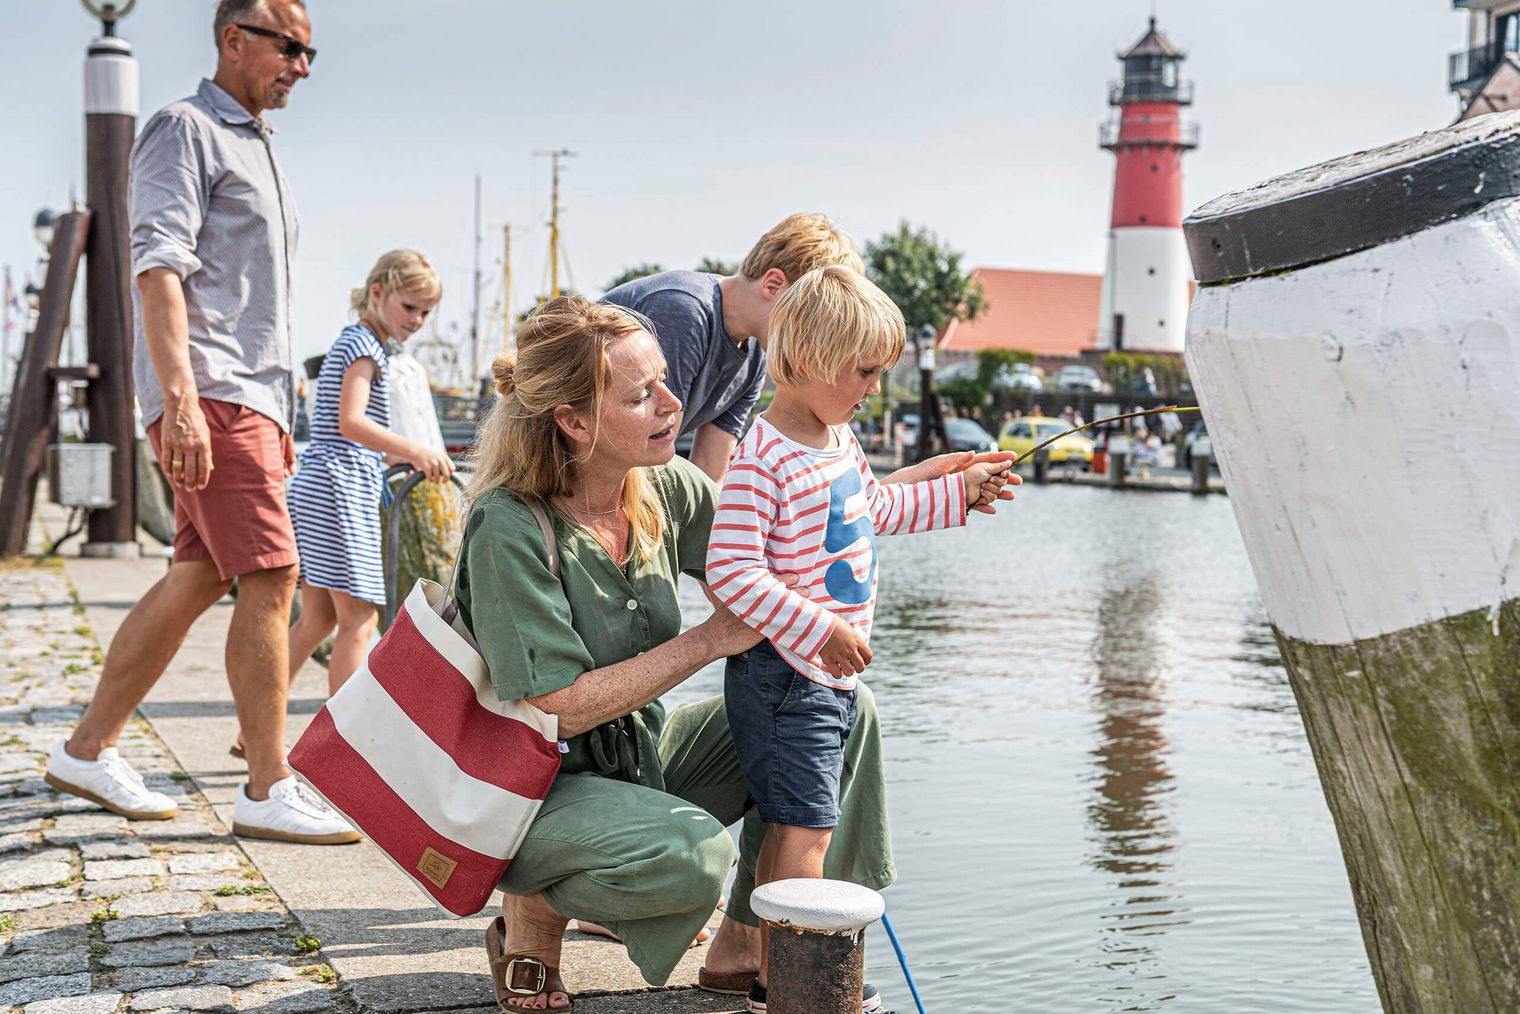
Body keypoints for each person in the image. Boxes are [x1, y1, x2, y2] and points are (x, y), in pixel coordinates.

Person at [457, 297, 1015, 1011]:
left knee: (845, 714)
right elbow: (553, 709)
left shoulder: (664, 485)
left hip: (641, 756)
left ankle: (755, 952)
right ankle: (532, 911)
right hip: (534, 789)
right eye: (640, 395)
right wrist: (711, 639)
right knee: (695, 857)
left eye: (665, 381)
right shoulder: (507, 526)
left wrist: (938, 486)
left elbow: (805, 530)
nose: (671, 403)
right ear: (573, 421)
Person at [43, 0, 353, 845]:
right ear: (234, 38)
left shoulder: (257, 144)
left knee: (201, 574)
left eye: (311, 54)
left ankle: (85, 748)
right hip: (215, 391)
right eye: (290, 48)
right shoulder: (186, 129)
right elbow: (158, 267)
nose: (302, 67)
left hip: (253, 397)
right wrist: (181, 397)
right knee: (273, 574)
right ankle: (265, 785)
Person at [706, 267, 1015, 1010]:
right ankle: (789, 987)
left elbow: (869, 509)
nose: (875, 386)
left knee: (800, 825)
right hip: (786, 678)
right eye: (866, 369)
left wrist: (954, 492)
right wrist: (821, 629)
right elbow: (731, 573)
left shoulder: (835, 438)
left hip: (823, 677)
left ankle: (779, 978)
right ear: (810, 358)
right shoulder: (763, 457)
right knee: (803, 831)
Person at [286, 250, 451, 695]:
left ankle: (254, 724)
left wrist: (392, 457)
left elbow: (339, 432)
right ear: (377, 293)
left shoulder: (352, 340)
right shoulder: (364, 347)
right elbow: (351, 422)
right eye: (409, 307)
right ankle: (338, 751)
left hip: (321, 482)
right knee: (360, 622)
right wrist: (415, 449)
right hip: (339, 490)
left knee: (317, 619)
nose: (416, 320)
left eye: (425, 312)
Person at [600, 213, 862, 482]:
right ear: (773, 285)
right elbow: (648, 457)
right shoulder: (685, 311)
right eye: (811, 319)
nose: (813, 338)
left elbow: (708, 474)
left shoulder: (755, 360)